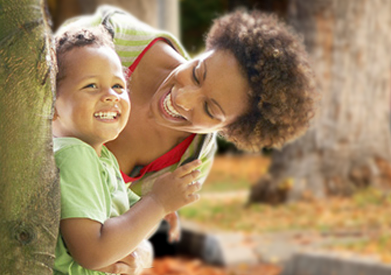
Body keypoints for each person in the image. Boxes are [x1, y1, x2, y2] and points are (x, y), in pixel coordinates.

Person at [55, 6, 316, 257]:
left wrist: (140, 255)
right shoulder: (110, 39)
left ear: (228, 130)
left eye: (209, 109)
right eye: (197, 74)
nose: (182, 98)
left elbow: (125, 229)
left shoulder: (188, 165)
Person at [50, 26, 204, 275]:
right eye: (91, 85)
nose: (111, 96)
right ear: (51, 104)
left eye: (118, 86)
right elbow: (93, 252)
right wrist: (157, 203)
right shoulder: (74, 156)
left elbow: (129, 221)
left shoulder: (103, 158)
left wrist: (157, 208)